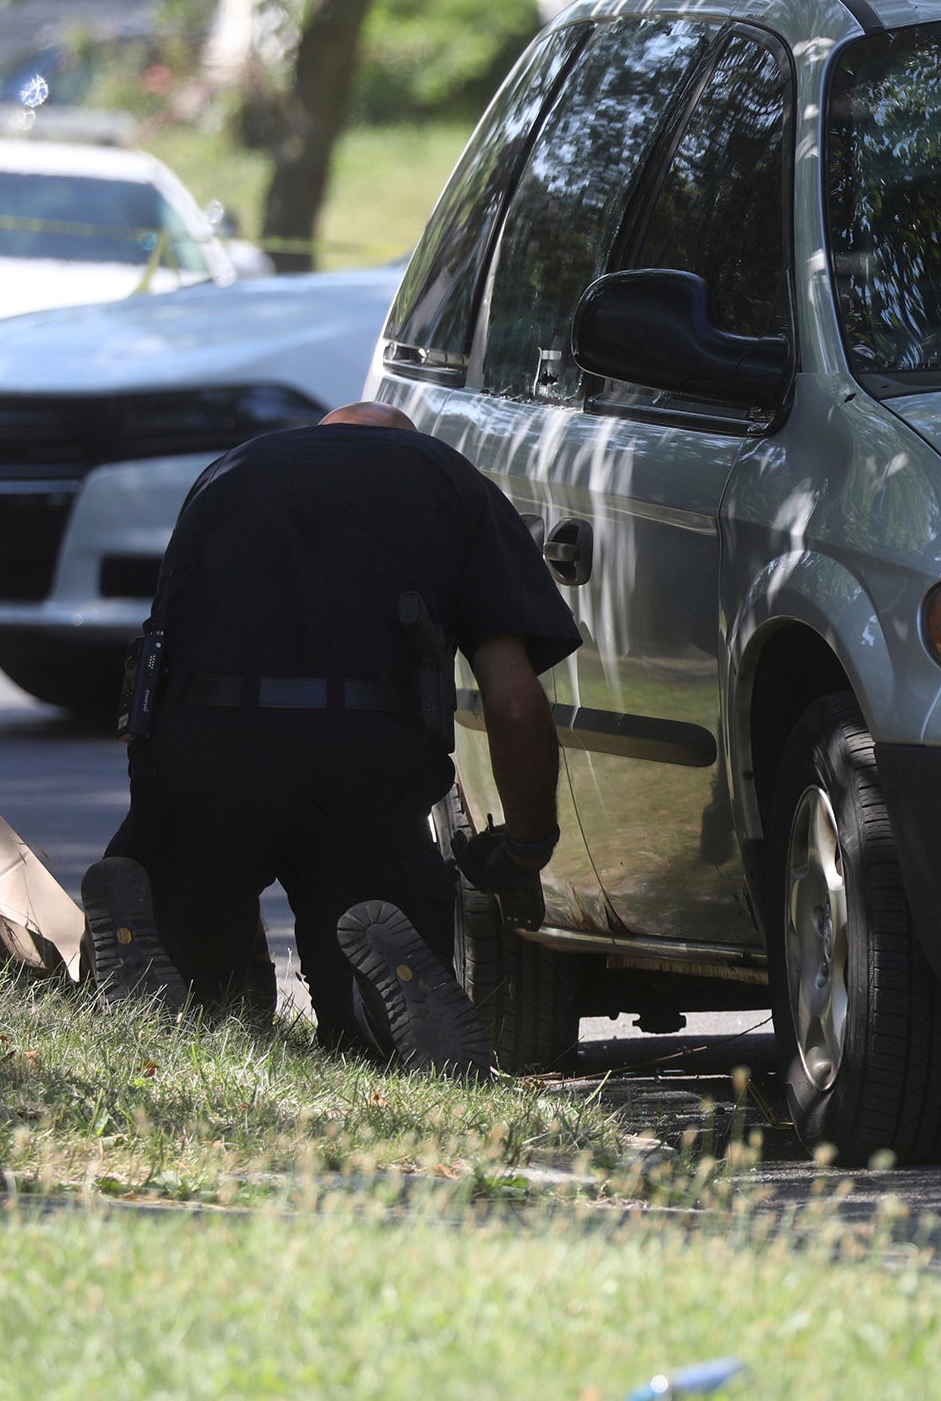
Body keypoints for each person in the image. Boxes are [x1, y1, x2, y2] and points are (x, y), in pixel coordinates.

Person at [85, 401, 579, 1073]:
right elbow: (515, 704)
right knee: (371, 926)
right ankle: (371, 1018)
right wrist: (525, 846)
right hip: (363, 765)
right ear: (405, 443)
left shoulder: (229, 473)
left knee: (193, 907)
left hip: (200, 754)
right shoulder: (444, 478)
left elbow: (152, 671)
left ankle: (177, 964)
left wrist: (159, 812)